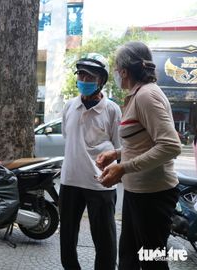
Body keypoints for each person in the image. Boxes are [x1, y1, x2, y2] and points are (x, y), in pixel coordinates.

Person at [96, 41, 181, 270]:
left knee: (152, 262)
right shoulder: (137, 95)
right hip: (137, 194)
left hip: (153, 196)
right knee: (129, 260)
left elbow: (171, 146)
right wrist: (117, 154)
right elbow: (145, 143)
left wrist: (123, 168)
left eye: (115, 69)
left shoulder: (146, 96)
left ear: (124, 71)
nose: (115, 74)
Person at [59, 53, 122, 270]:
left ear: (101, 81)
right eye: (81, 75)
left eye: (90, 77)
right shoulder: (69, 106)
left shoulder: (112, 110)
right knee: (67, 237)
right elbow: (68, 137)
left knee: (104, 239)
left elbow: (120, 147)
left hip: (101, 183)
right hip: (70, 181)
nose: (84, 81)